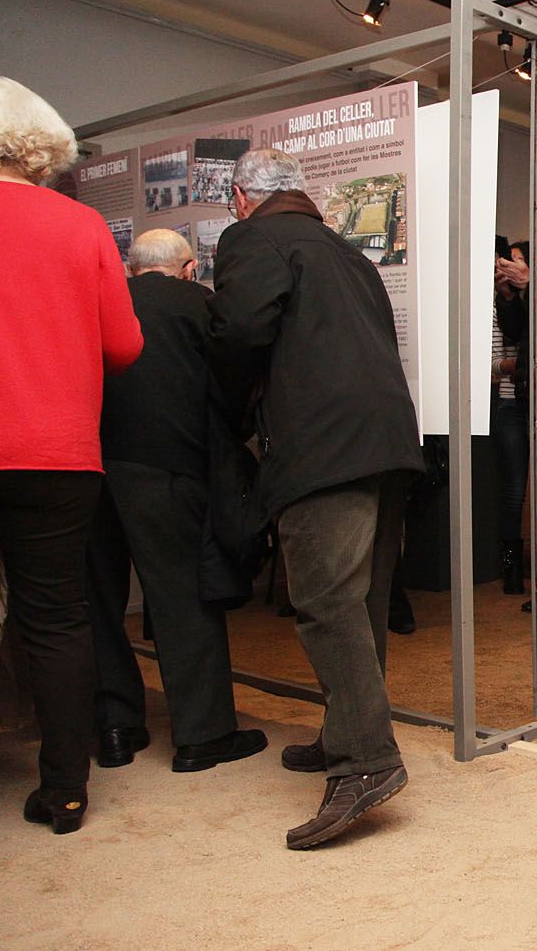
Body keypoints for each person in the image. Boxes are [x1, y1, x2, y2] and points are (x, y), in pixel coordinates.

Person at [207, 148, 424, 850]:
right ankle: (345, 732)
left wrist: (232, 415)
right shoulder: (347, 251)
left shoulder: (251, 237)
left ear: (242, 197)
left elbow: (239, 332)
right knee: (361, 600)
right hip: (386, 439)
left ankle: (365, 761)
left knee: (327, 602)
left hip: (322, 445)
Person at [0, 75, 143, 834]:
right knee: (56, 619)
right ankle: (65, 790)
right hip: (55, 451)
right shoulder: (81, 224)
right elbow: (125, 344)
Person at [86, 228, 267, 773]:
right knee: (182, 597)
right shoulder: (196, 305)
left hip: (90, 464)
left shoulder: (101, 303)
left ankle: (116, 728)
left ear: (131, 268)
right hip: (165, 465)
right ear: (189, 269)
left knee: (98, 599)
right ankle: (203, 735)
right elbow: (229, 387)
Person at [492, 239, 531, 595]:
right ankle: (512, 568)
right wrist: (524, 364)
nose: (508, 268)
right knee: (514, 488)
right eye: (507, 261)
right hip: (510, 401)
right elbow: (490, 363)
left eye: (517, 262)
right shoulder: (495, 304)